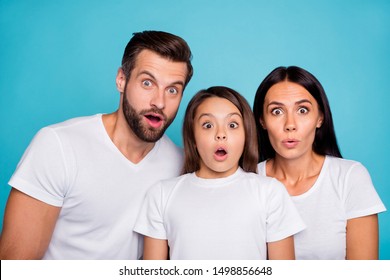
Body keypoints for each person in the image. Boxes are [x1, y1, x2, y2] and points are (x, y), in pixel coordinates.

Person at [0, 30, 193, 259]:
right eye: (147, 83)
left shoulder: (180, 166)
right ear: (121, 80)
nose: (159, 102)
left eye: (172, 90)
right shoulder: (59, 146)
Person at [134, 86, 305, 260]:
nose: (221, 134)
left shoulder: (270, 192)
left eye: (232, 125)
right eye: (208, 125)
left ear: (246, 135)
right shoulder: (162, 194)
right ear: (193, 137)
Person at [253, 66, 386, 260]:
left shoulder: (350, 177)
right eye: (277, 111)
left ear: (320, 118)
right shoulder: (248, 179)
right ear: (262, 121)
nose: (290, 124)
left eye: (302, 110)